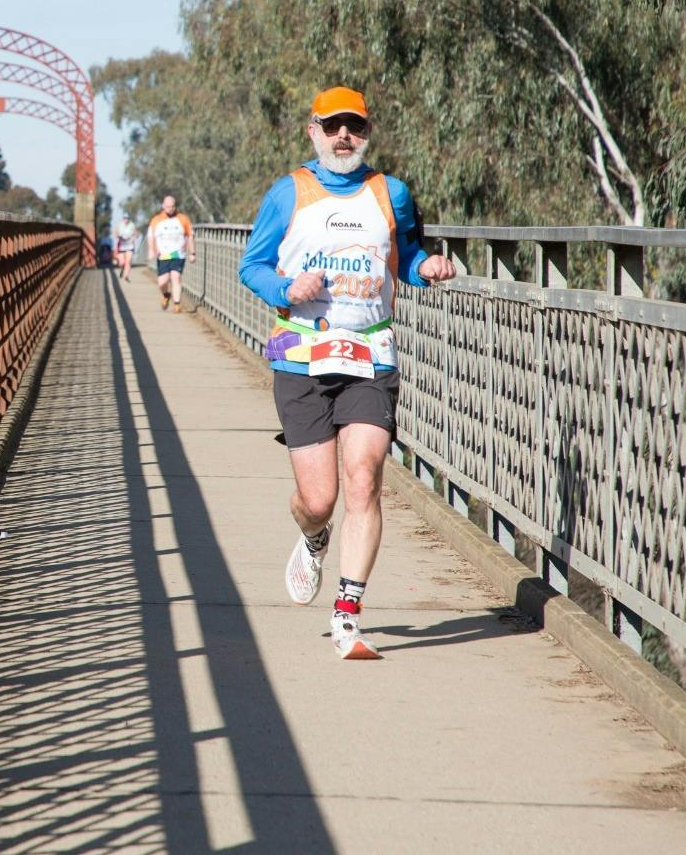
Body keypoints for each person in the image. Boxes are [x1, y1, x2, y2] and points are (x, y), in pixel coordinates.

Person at [239, 86, 456, 659]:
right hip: (302, 356)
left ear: (366, 133)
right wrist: (287, 288)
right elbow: (251, 266)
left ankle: (347, 615)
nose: (344, 137)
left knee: (365, 478)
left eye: (354, 128)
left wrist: (424, 266)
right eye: (333, 126)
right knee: (320, 498)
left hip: (370, 355)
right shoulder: (289, 193)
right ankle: (313, 535)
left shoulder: (393, 193)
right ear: (313, 130)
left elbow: (404, 256)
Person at [146, 195, 195, 312]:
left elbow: (190, 236)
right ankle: (166, 294)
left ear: (175, 206)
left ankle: (177, 304)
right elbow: (150, 236)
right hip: (163, 255)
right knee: (162, 281)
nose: (170, 209)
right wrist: (151, 250)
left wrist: (192, 252)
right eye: (168, 207)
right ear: (163, 206)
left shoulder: (183, 219)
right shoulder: (156, 220)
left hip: (178, 254)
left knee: (176, 277)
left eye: (172, 206)